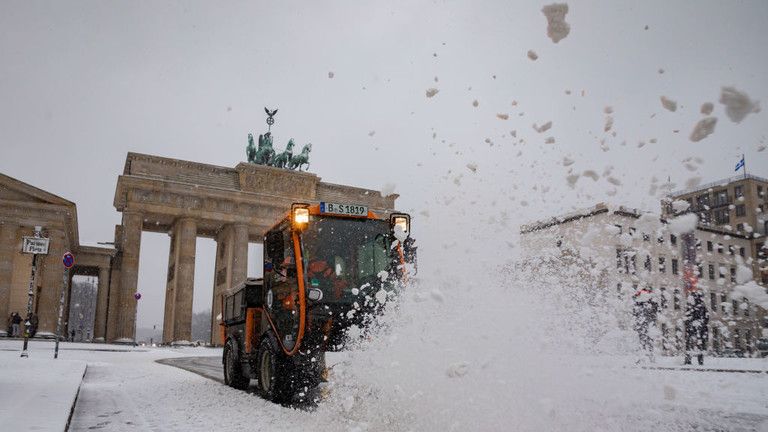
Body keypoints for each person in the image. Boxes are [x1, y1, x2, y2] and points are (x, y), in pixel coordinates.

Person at [633, 288, 659, 362]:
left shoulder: (643, 303)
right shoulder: (649, 303)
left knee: (644, 340)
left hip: (645, 323)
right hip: (646, 323)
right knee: (646, 340)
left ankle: (646, 357)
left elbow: (635, 312)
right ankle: (647, 357)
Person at [684, 291, 709, 365]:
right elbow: (706, 317)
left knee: (691, 344)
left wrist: (689, 324)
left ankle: (689, 360)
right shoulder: (701, 306)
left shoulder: (692, 306)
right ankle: (698, 360)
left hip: (694, 327)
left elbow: (687, 317)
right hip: (697, 327)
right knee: (698, 344)